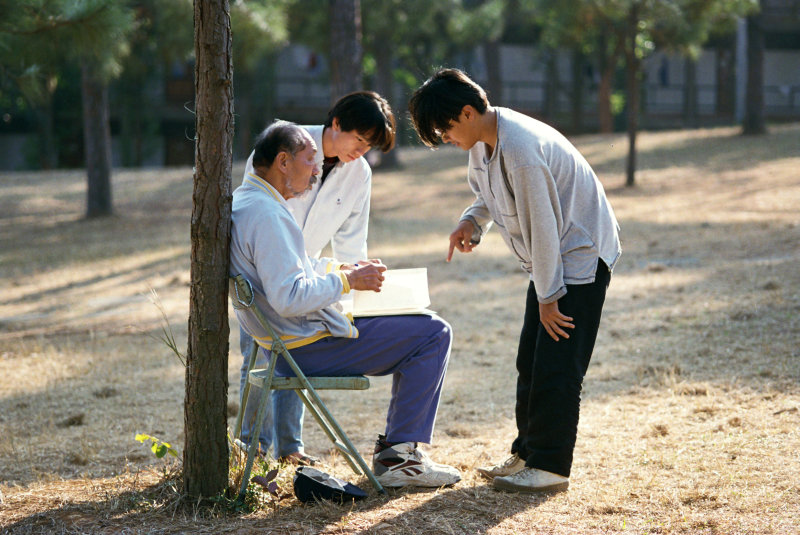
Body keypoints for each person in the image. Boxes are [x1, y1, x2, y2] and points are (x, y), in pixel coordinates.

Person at [408, 68, 621, 493]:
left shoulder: (521, 149)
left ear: (467, 113)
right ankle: (526, 453)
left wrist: (549, 297)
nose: (445, 139)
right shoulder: (483, 140)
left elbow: (543, 227)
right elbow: (490, 194)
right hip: (552, 260)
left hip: (579, 255)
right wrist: (471, 221)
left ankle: (550, 467)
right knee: (531, 360)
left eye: (445, 130)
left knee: (558, 366)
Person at [230, 120, 461, 488]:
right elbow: (289, 297)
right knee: (433, 333)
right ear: (283, 162)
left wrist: (343, 270)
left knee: (422, 324)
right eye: (310, 160)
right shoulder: (269, 215)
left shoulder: (248, 201)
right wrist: (347, 282)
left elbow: (293, 270)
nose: (317, 170)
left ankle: (398, 452)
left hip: (283, 343)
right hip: (304, 347)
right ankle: (399, 458)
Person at [237, 91, 395, 466]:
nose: (362, 150)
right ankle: (251, 449)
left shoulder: (359, 173)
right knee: (259, 358)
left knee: (297, 355)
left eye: (370, 145)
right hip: (263, 271)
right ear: (336, 124)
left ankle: (291, 448)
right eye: (359, 139)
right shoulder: (285, 145)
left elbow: (352, 239)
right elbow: (256, 206)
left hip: (308, 275)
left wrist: (354, 283)